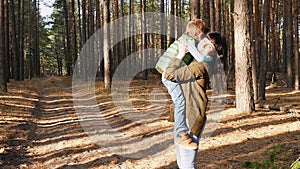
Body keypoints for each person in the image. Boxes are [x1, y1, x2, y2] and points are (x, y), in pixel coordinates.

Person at [164, 32, 226, 168]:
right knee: (182, 164)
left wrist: (180, 54)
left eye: (211, 46)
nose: (205, 45)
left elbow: (169, 75)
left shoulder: (201, 65)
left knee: (187, 165)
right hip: (185, 115)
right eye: (205, 41)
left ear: (214, 53)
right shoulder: (195, 60)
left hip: (191, 117)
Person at [161, 19, 211, 150]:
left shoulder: (184, 39)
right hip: (169, 76)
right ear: (199, 34)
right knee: (180, 102)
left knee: (180, 101)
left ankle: (180, 134)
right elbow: (199, 58)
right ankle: (181, 135)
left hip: (169, 73)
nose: (203, 39)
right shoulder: (189, 42)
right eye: (203, 35)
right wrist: (208, 58)